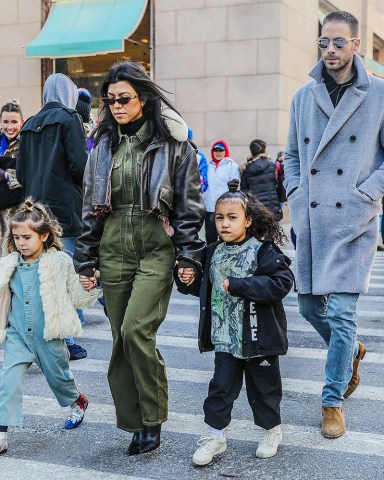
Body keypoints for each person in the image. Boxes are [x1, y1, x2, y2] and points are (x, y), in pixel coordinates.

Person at [73, 61, 205, 455]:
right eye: (110, 99)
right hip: (113, 249)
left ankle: (152, 419)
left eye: (124, 98)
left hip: (155, 250)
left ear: (144, 98)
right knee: (119, 340)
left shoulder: (174, 145)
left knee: (136, 332)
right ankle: (133, 420)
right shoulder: (101, 148)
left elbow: (190, 206)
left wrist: (189, 256)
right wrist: (86, 258)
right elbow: (88, 209)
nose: (116, 105)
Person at [284, 10, 384, 439]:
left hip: (354, 220)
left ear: (356, 45)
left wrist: (368, 195)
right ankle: (351, 353)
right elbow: (290, 155)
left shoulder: (378, 94)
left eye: (339, 43)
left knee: (341, 313)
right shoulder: (303, 98)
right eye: (324, 42)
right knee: (309, 308)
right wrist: (295, 193)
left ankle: (332, 400)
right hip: (311, 219)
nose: (330, 50)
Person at [176, 179, 293, 466]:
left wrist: (240, 285)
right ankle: (215, 435)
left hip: (258, 338)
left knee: (264, 388)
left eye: (232, 217)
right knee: (221, 387)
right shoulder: (212, 251)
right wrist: (187, 280)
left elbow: (282, 283)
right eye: (219, 218)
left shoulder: (263, 251)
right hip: (225, 338)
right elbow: (204, 286)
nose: (224, 224)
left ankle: (270, 431)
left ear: (248, 220)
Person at [0, 198, 101, 454]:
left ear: (44, 235)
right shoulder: (8, 264)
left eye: (26, 237)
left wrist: (90, 285)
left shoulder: (60, 262)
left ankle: (78, 400)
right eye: (16, 237)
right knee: (7, 383)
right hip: (18, 336)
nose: (21, 242)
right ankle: (1, 434)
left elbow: (77, 297)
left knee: (60, 382)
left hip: (49, 337)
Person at [17, 73, 89, 361]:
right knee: (61, 276)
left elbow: (21, 173)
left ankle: (34, 338)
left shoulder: (29, 124)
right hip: (64, 209)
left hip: (35, 209)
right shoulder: (70, 118)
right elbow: (80, 165)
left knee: (40, 277)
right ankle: (64, 340)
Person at [205, 140, 240, 245]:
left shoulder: (231, 166)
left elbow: (235, 186)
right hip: (210, 207)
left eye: (221, 150)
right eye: (215, 150)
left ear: (226, 151)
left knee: (225, 235)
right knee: (210, 236)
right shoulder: (208, 166)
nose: (218, 152)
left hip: (225, 208)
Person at [0, 100, 24, 245]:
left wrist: (6, 174)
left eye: (14, 122)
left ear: (22, 122)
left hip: (18, 215)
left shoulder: (27, 143)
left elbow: (25, 177)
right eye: (6, 122)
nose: (10, 127)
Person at [240, 139, 282, 221]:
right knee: (274, 232)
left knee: (258, 232)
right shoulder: (272, 165)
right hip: (272, 207)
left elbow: (243, 190)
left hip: (256, 209)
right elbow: (278, 184)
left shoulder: (246, 168)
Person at [188, 127, 208, 192]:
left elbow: (203, 179)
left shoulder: (199, 157)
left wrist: (198, 192)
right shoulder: (173, 155)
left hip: (193, 194)